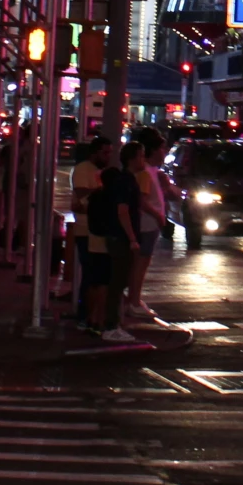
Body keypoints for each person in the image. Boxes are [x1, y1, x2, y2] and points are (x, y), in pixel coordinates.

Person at [84, 141, 143, 342]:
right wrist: (132, 238)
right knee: (117, 282)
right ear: (133, 158)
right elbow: (123, 210)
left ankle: (112, 323)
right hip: (120, 238)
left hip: (118, 236)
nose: (143, 160)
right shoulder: (125, 181)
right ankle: (111, 325)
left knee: (119, 281)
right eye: (141, 156)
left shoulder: (125, 180)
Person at [123, 129, 168, 326]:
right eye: (161, 148)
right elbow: (141, 200)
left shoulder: (151, 172)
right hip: (146, 225)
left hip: (149, 225)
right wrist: (158, 214)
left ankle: (134, 299)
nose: (164, 152)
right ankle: (133, 301)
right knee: (140, 264)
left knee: (141, 263)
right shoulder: (145, 173)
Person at [67, 134, 109, 315]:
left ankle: (86, 311)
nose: (108, 157)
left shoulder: (99, 172)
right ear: (95, 153)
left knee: (93, 273)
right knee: (90, 273)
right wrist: (101, 192)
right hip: (85, 228)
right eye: (105, 153)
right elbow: (81, 191)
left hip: (95, 228)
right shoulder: (84, 169)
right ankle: (84, 312)